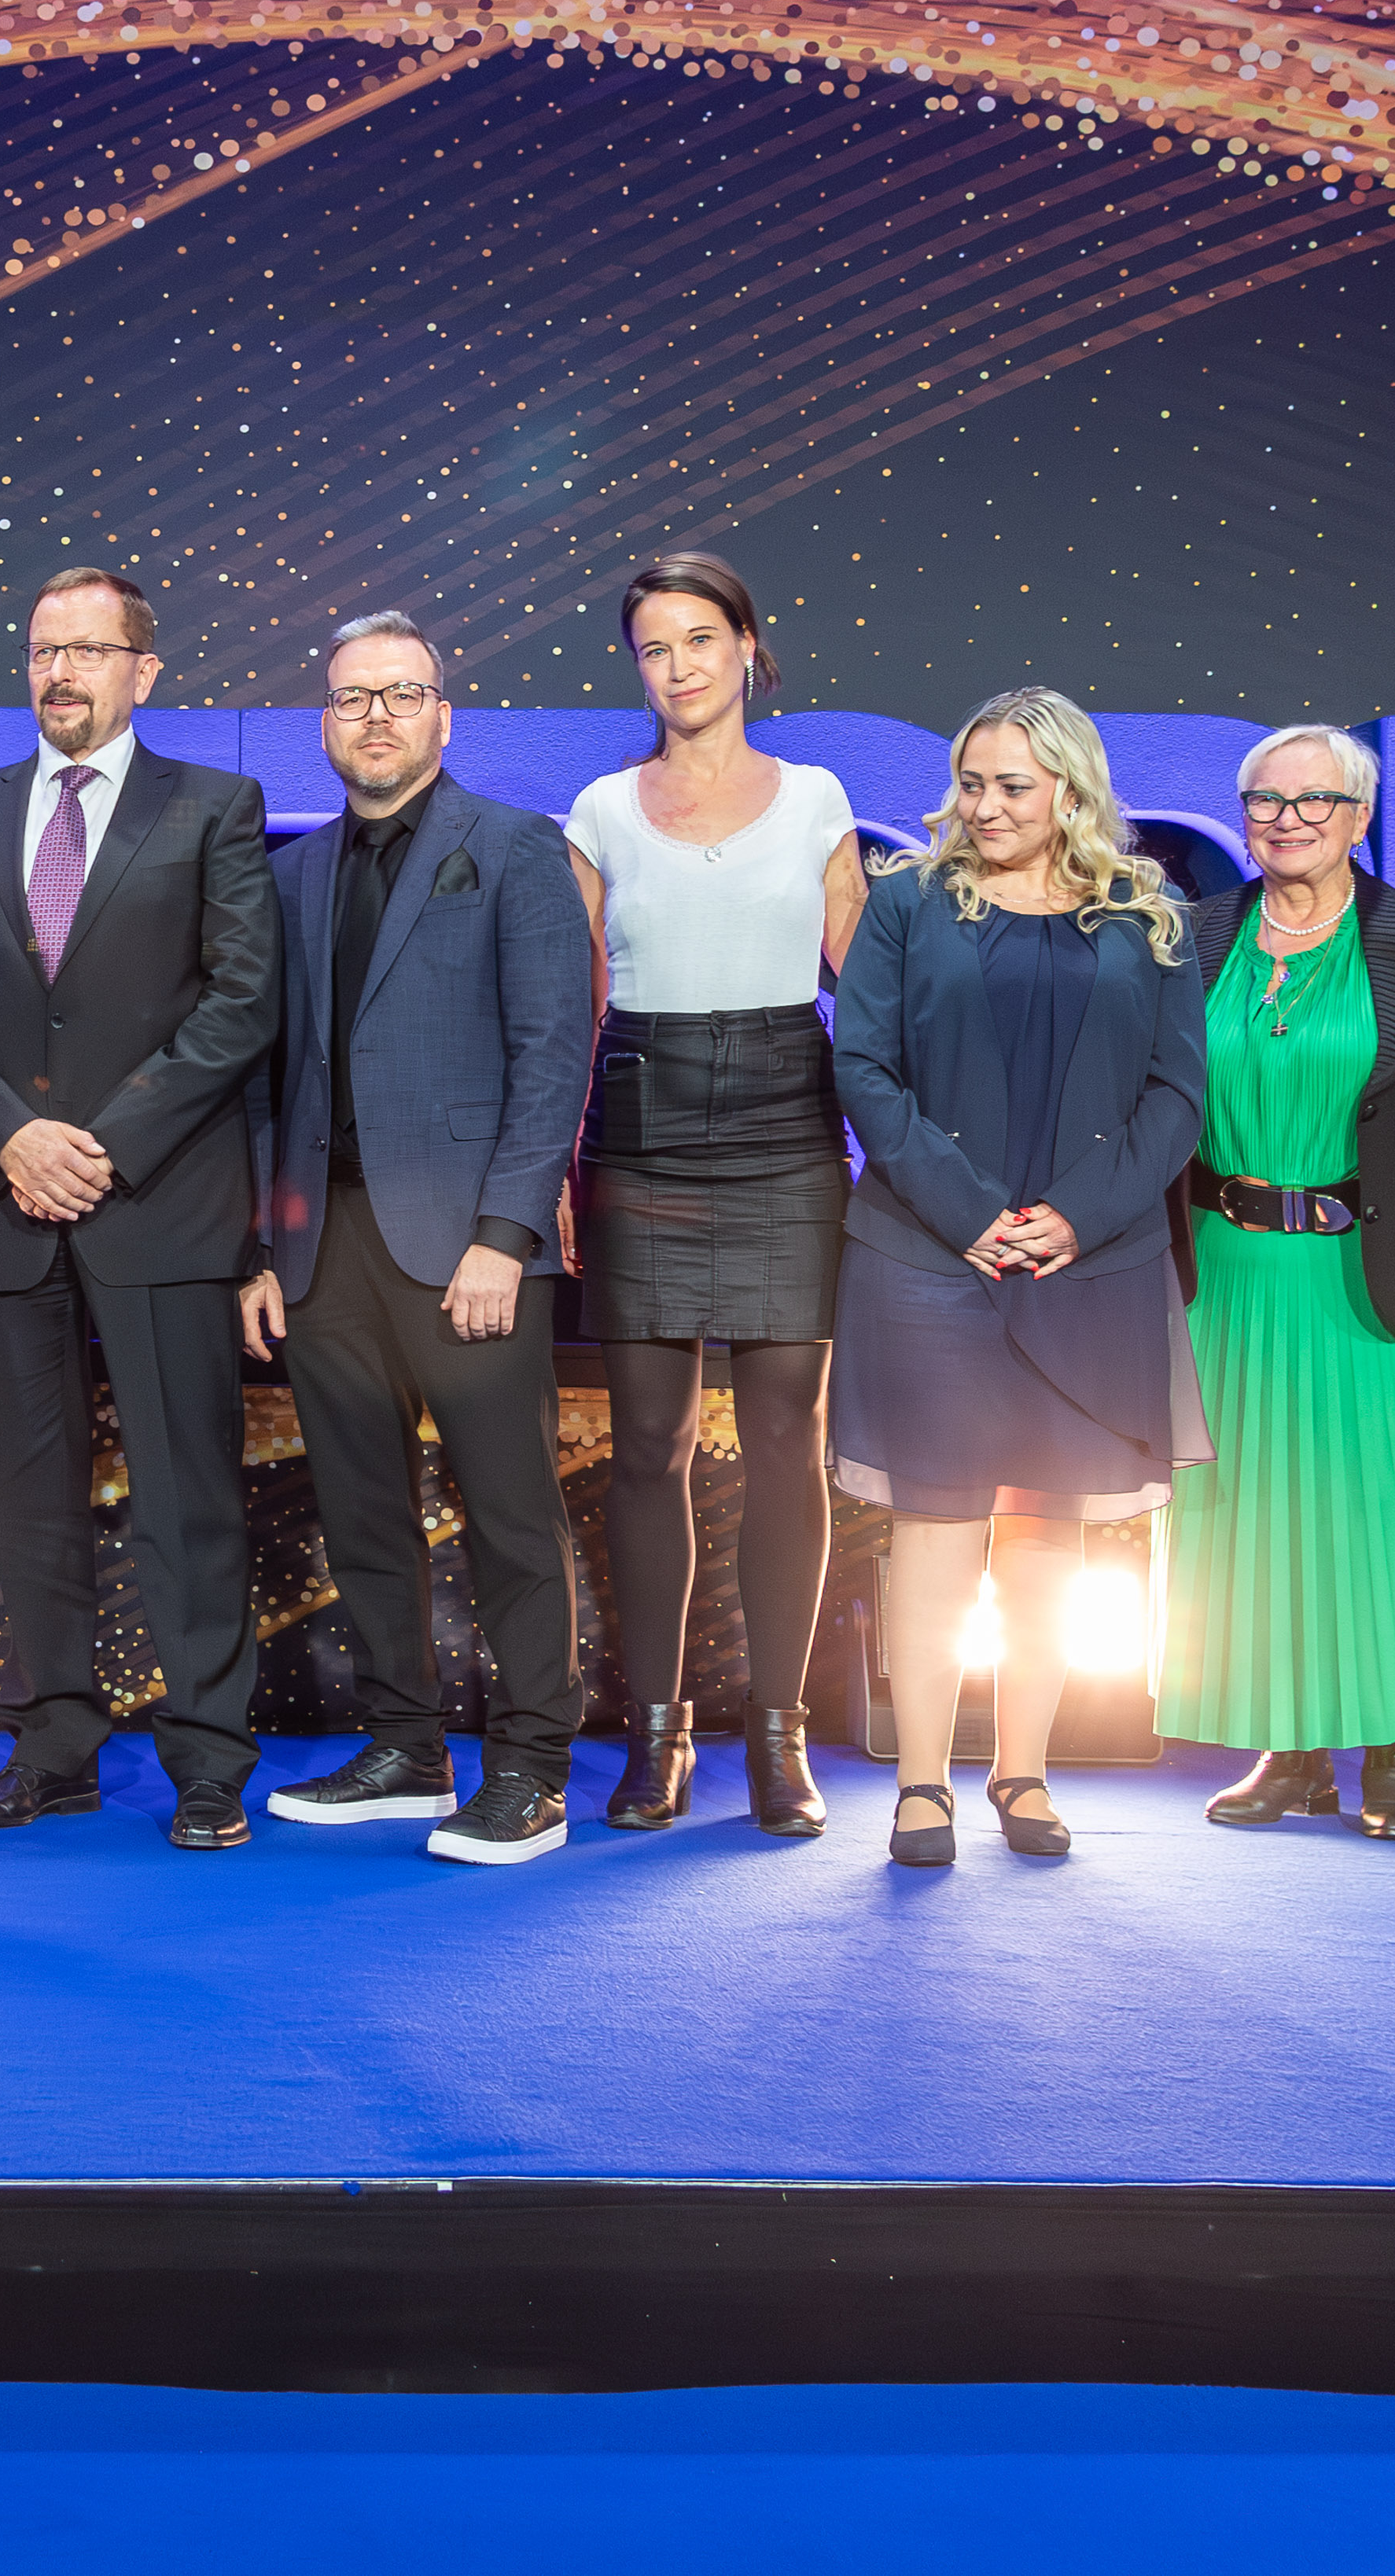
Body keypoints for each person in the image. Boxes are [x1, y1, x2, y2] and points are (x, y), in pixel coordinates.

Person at [0, 568, 285, 1851]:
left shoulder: (216, 807)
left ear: (144, 670)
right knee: (30, 1498)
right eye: (41, 648)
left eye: (88, 650)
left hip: (161, 1204)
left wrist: (99, 1149)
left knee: (188, 1496)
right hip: (5, 1206)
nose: (60, 671)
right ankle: (54, 1746)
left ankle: (209, 1759)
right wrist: (10, 1140)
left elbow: (241, 1005)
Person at [826, 689, 1208, 1870]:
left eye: (1013, 785)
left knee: (1051, 1540)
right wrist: (974, 1214)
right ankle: (923, 1785)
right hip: (927, 1260)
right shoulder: (904, 904)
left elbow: (1177, 1099)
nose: (985, 806)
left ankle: (1025, 1772)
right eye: (972, 781)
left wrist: (1073, 1222)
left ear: (1072, 794)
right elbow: (867, 1072)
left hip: (1091, 1266)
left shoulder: (1151, 916)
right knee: (936, 1533)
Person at [242, 614, 596, 1865]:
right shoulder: (288, 877)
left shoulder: (513, 849)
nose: (377, 715)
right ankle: (405, 1745)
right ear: (324, 724)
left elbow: (554, 1054)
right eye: (351, 699)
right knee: (362, 1512)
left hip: (469, 1250)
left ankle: (535, 1771)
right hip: (322, 1249)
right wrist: (265, 1253)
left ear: (444, 715)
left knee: (508, 1515)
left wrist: (507, 1232)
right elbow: (267, 1079)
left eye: (402, 694)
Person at [1161, 724, 1395, 1842]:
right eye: (1264, 800)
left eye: (1316, 800)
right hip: (1227, 1277)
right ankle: (1294, 1747)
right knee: (1253, 1520)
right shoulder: (1193, 934)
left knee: (1383, 1518)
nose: (1286, 819)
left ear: (1361, 819)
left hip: (1379, 1287)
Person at [561, 551, 867, 1839]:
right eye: (654, 647)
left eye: (701, 637)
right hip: (636, 1128)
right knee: (648, 1444)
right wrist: (552, 1171)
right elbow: (568, 1014)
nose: (680, 666)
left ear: (749, 644)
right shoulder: (602, 809)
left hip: (788, 1125)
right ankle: (657, 1736)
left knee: (792, 1434)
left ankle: (778, 1740)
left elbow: (871, 990)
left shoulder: (817, 799)